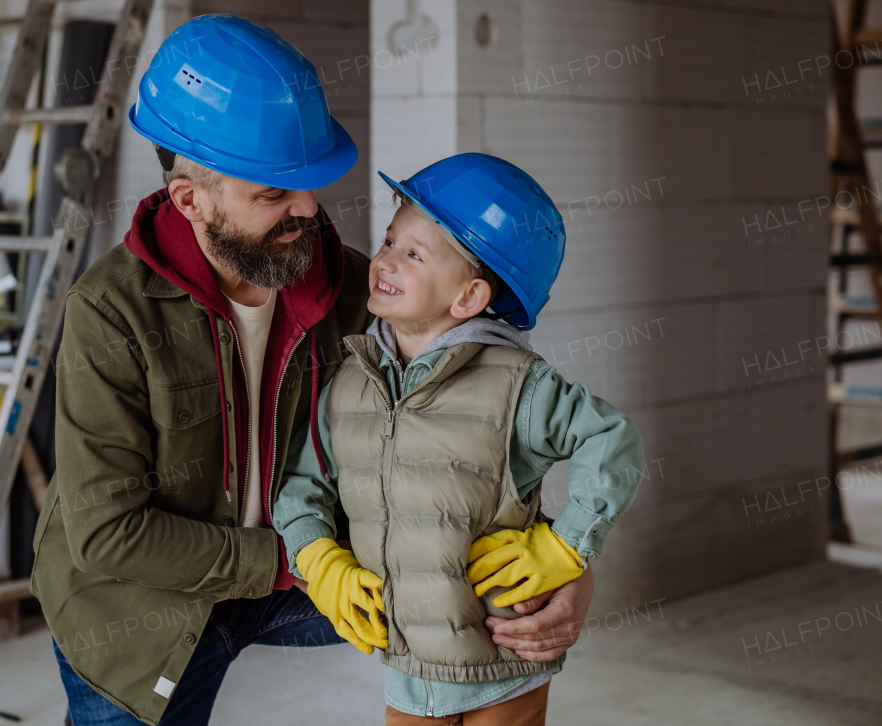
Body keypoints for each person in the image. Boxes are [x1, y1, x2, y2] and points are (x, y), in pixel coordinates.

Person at [30, 16, 597, 726]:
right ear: (190, 200)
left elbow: (468, 433)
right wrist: (303, 561)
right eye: (273, 194)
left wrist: (566, 563)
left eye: (309, 183)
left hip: (304, 566)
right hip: (141, 604)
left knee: (494, 596)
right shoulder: (109, 313)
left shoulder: (358, 289)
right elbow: (110, 534)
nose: (308, 209)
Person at [273, 153, 646, 725]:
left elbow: (612, 440)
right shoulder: (349, 382)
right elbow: (301, 481)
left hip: (506, 659)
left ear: (469, 298)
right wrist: (317, 557)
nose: (386, 260)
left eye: (414, 254)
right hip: (405, 665)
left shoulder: (517, 384)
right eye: (391, 241)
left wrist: (568, 546)